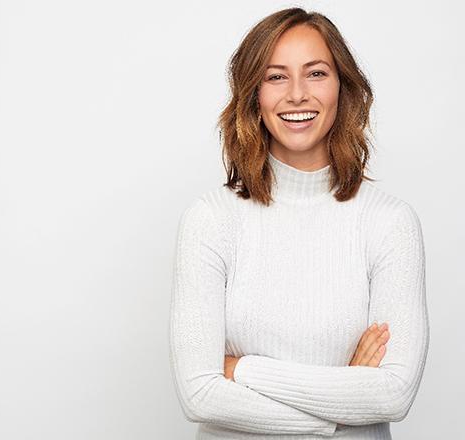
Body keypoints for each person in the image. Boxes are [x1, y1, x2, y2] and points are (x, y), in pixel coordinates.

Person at [168, 7, 429, 440]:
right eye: (275, 77)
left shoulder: (390, 223)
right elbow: (199, 394)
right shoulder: (211, 220)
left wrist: (242, 369)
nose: (296, 95)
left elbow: (392, 395)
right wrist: (341, 407)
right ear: (254, 94)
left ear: (342, 88)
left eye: (316, 74)